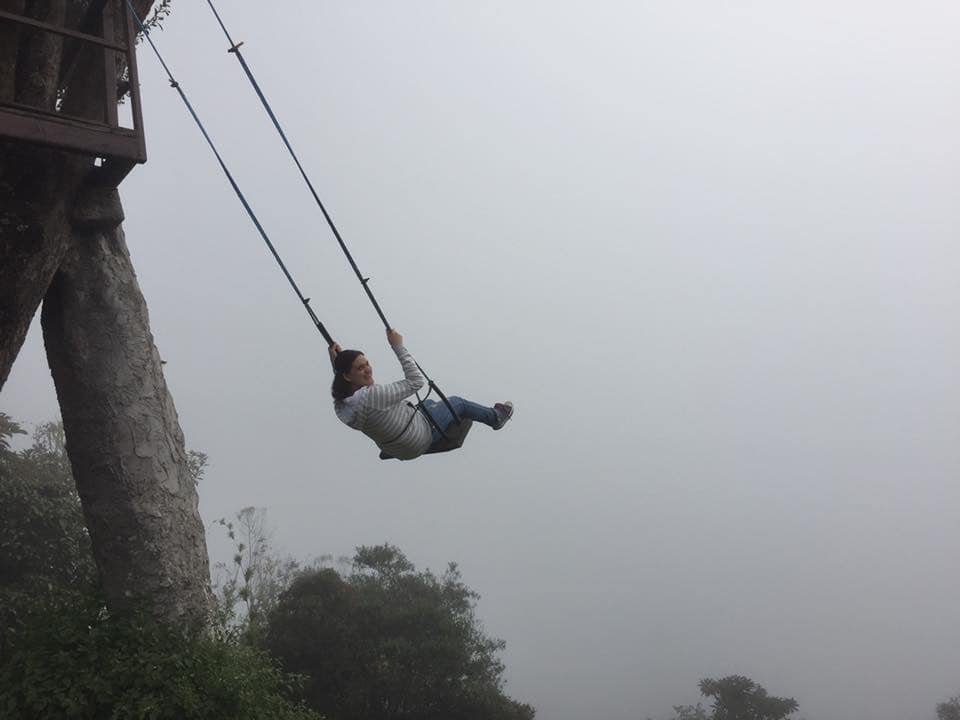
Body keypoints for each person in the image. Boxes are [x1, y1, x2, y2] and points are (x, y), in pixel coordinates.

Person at [329, 329, 513, 460]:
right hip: (417, 440)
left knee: (428, 404)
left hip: (397, 450)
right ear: (347, 375)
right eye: (360, 368)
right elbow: (416, 381)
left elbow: (348, 389)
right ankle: (496, 418)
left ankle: (406, 438)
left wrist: (336, 364)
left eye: (367, 364)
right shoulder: (373, 396)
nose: (368, 370)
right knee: (457, 403)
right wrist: (397, 346)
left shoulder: (342, 408)